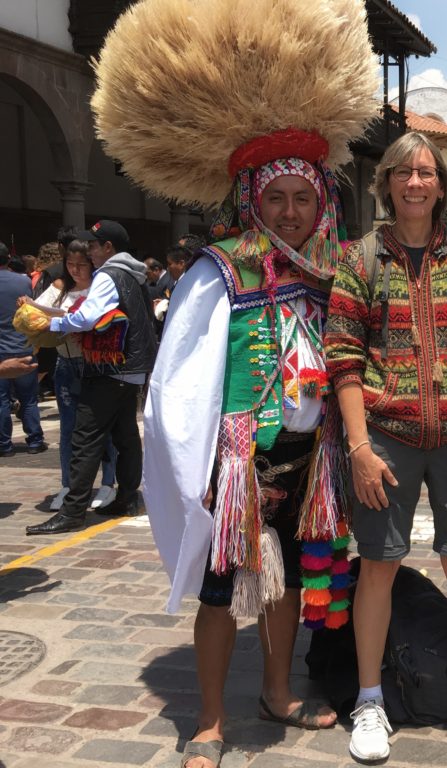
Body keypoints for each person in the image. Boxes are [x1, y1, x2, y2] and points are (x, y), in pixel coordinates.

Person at [91, 0, 383, 765]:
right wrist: (198, 470)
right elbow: (180, 378)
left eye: (304, 198)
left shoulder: (334, 275)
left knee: (284, 587)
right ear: (252, 200)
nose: (291, 211)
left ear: (323, 199)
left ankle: (278, 690)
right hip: (239, 468)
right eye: (276, 198)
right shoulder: (220, 271)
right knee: (224, 595)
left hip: (309, 463)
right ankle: (210, 721)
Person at [326, 132, 447, 762]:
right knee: (377, 566)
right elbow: (345, 360)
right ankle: (372, 699)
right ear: (386, 183)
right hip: (386, 439)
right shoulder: (361, 260)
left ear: (441, 185)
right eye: (403, 172)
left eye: (426, 172)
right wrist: (358, 447)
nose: (415, 182)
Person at [26, 220, 155, 535]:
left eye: (93, 246)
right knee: (125, 436)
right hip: (132, 368)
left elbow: (87, 317)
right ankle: (126, 497)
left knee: (85, 438)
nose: (89, 252)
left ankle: (72, 512)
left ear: (108, 248)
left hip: (110, 366)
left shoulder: (109, 274)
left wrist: (51, 326)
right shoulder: (133, 272)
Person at [29, 240, 118, 511]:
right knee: (68, 429)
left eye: (81, 264)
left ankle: (107, 484)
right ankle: (69, 485)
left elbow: (93, 319)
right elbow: (35, 311)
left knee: (103, 428)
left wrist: (60, 317)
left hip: (96, 365)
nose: (76, 270)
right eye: (70, 264)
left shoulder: (100, 287)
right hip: (66, 364)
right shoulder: (58, 288)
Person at [0, 242, 45, 456]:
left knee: (0, 400)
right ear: (8, 258)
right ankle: (35, 441)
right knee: (29, 399)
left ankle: (4, 445)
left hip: (1, 351)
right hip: (23, 345)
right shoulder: (24, 281)